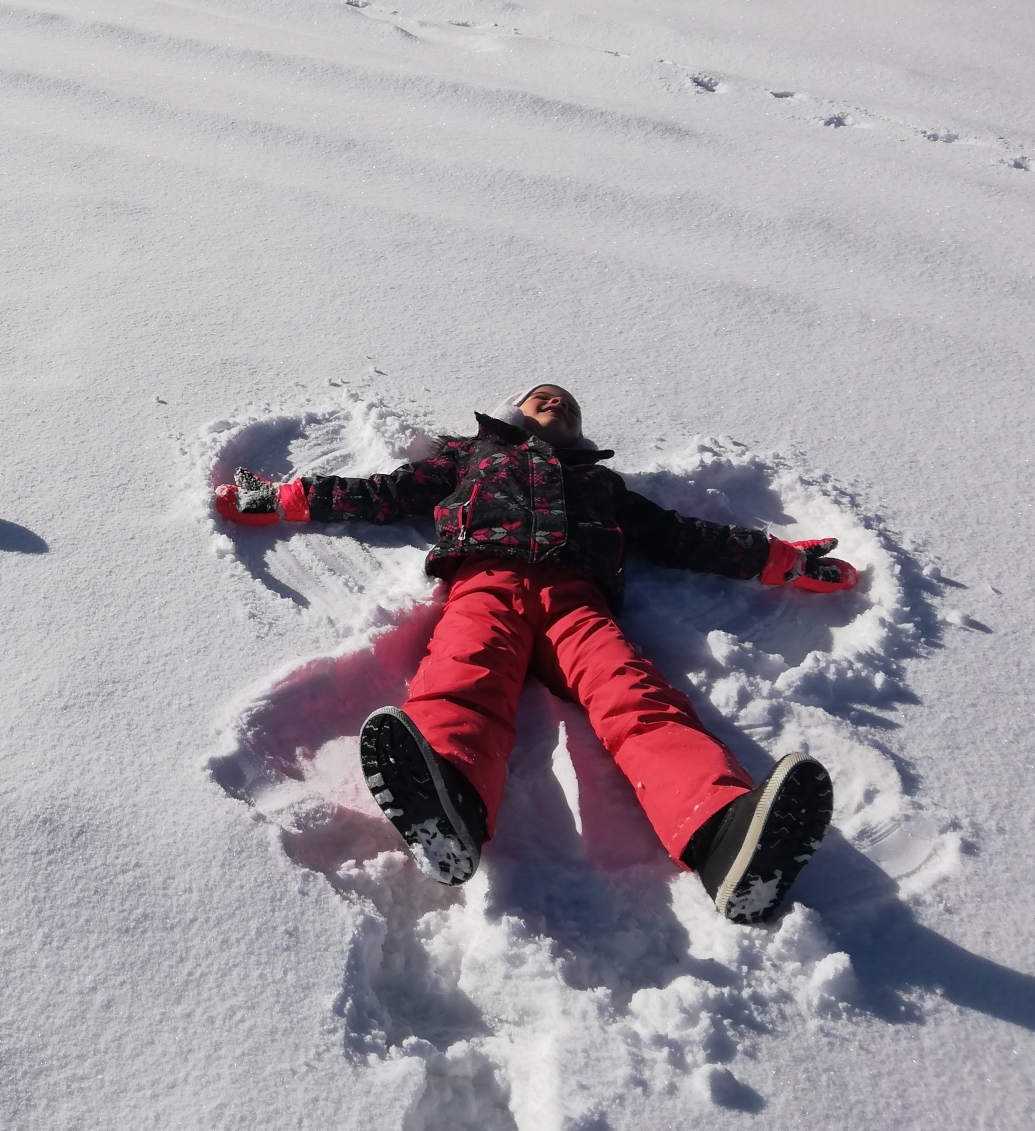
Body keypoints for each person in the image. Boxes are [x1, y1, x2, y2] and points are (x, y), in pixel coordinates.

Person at [214, 384, 857, 925]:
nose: (557, 404)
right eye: (542, 397)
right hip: (486, 580)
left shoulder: (600, 483)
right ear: (514, 411)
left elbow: (684, 536)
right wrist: (284, 498)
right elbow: (383, 493)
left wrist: (783, 560)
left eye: (568, 405)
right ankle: (447, 797)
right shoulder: (475, 457)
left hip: (578, 600)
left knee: (635, 696)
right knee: (464, 674)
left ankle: (720, 831)